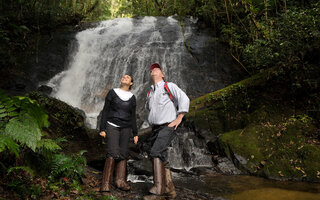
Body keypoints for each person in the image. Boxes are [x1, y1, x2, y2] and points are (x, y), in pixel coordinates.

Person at [146, 63, 190, 195]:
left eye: (157, 69)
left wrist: (179, 117)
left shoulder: (169, 86)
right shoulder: (150, 92)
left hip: (167, 125)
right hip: (155, 128)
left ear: (162, 74)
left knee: (155, 152)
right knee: (157, 154)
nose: (153, 70)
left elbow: (184, 98)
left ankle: (158, 191)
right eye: (152, 69)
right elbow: (149, 109)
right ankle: (169, 188)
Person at [99, 74, 139, 192]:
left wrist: (135, 133)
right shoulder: (112, 92)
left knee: (123, 153)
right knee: (112, 152)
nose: (124, 77)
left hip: (126, 127)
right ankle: (105, 184)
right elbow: (105, 111)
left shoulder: (132, 97)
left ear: (131, 83)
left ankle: (120, 181)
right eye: (123, 76)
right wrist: (102, 129)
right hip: (112, 125)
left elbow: (133, 117)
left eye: (128, 77)